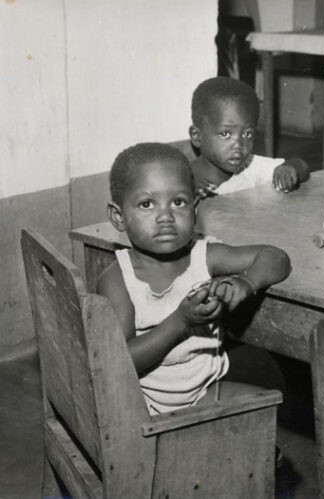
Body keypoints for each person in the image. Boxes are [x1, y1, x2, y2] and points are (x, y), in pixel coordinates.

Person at [97, 142, 291, 415]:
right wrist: (181, 321)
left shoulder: (204, 255)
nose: (165, 217)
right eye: (146, 204)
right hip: (142, 404)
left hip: (205, 391)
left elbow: (276, 257)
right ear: (118, 217)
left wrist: (246, 282)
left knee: (265, 410)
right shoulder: (118, 279)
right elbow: (120, 361)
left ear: (195, 208)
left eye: (178, 202)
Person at [188, 76, 310, 200]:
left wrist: (289, 168)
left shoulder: (250, 167)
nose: (239, 144)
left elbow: (302, 166)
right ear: (197, 137)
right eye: (225, 134)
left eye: (247, 134)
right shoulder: (182, 178)